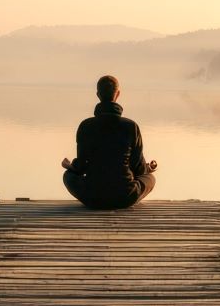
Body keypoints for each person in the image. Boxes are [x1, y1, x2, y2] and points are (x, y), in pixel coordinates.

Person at [60, 75, 158, 209]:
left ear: (98, 95)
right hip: (125, 196)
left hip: (93, 196)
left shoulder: (86, 126)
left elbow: (81, 167)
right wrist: (148, 168)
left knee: (68, 176)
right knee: (150, 179)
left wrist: (70, 166)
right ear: (117, 94)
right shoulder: (131, 127)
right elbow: (139, 169)